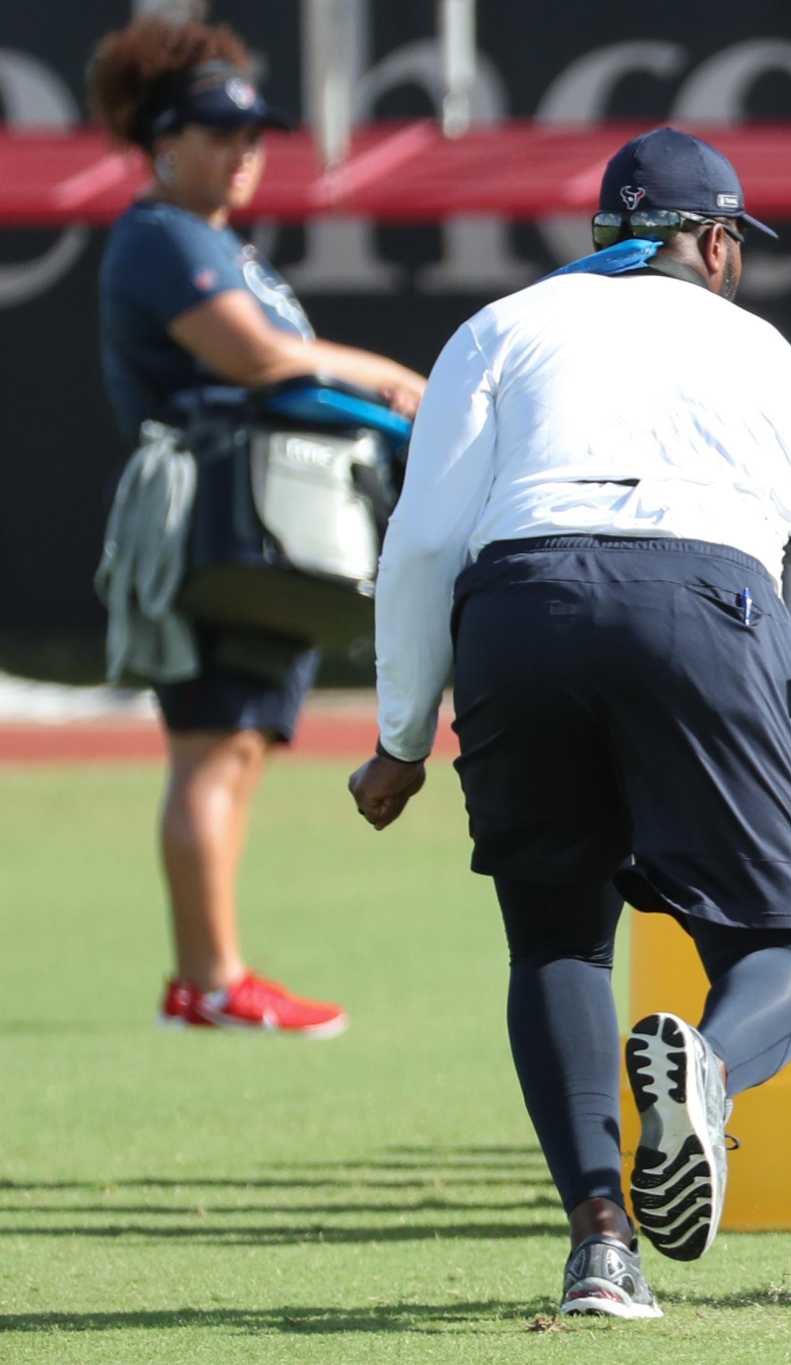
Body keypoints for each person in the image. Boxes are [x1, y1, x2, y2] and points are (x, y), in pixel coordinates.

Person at [346, 127, 791, 1320]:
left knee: (556, 945)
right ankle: (712, 1067)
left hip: (519, 604)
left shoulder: (500, 327)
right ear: (715, 244)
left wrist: (396, 741)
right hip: (708, 603)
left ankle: (601, 1245)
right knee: (771, 954)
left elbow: (424, 545)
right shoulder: (774, 359)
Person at [87, 8, 425, 1035]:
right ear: (161, 144)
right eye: (217, 131)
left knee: (236, 747)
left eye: (252, 134)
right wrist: (394, 381)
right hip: (213, 521)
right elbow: (259, 360)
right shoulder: (159, 235)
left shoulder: (221, 243)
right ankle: (208, 981)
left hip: (270, 523)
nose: (242, 152)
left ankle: (212, 977)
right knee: (208, 747)